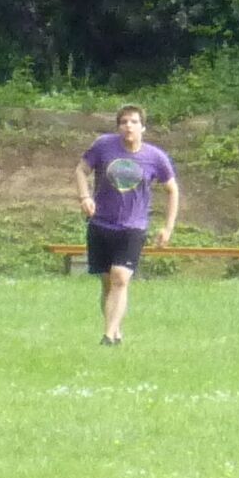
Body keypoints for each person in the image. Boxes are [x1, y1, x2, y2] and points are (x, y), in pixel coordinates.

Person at [74, 101, 179, 347]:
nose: (128, 126)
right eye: (123, 122)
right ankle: (115, 329)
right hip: (101, 224)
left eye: (133, 122)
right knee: (107, 281)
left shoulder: (155, 157)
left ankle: (108, 336)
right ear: (118, 127)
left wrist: (168, 227)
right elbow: (80, 170)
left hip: (133, 227)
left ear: (143, 127)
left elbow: (172, 189)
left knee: (121, 277)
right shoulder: (104, 146)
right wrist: (85, 197)